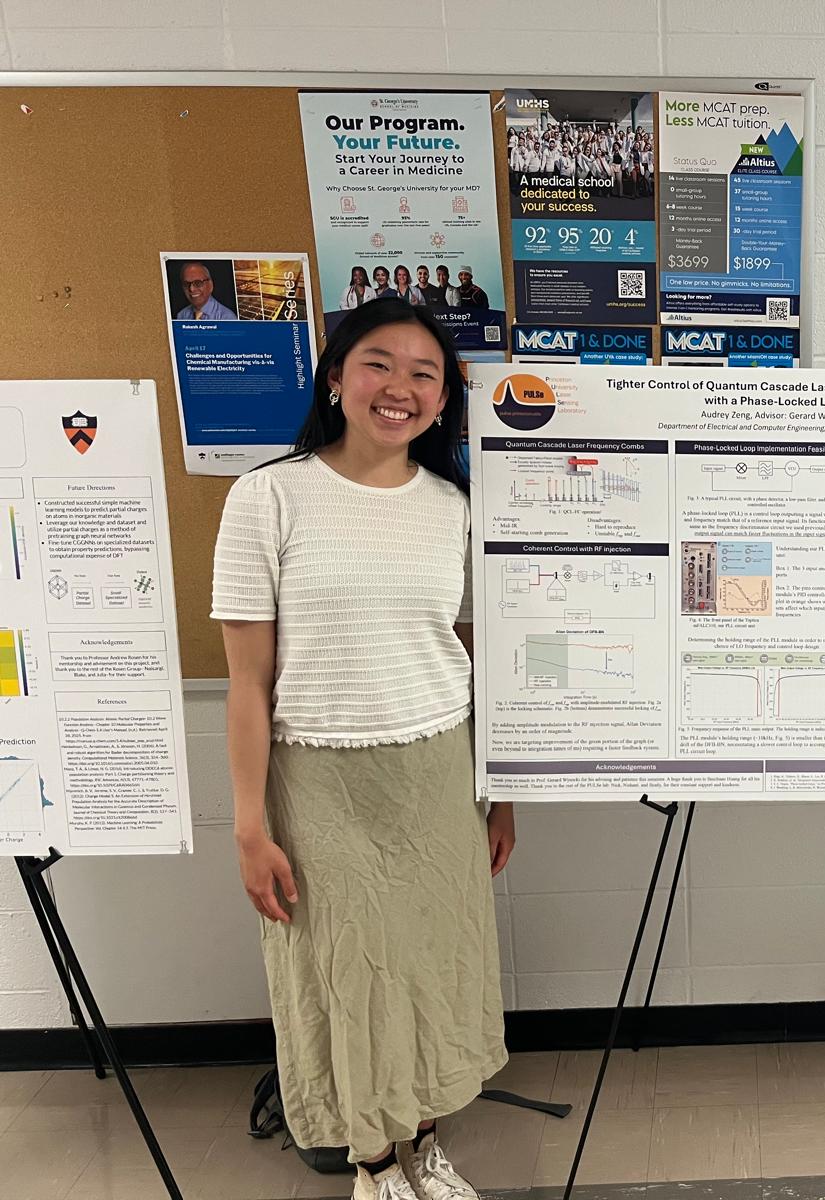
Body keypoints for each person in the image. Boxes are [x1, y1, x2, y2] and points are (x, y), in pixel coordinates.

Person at [213, 298, 514, 1200]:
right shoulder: (268, 496)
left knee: (428, 965)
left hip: (436, 769)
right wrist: (247, 824)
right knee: (349, 976)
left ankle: (422, 1144)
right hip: (318, 777)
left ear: (443, 402)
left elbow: (469, 653)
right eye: (379, 364)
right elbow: (246, 684)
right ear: (336, 378)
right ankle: (373, 1163)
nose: (402, 388)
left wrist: (501, 791)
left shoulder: (452, 508)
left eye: (426, 375)